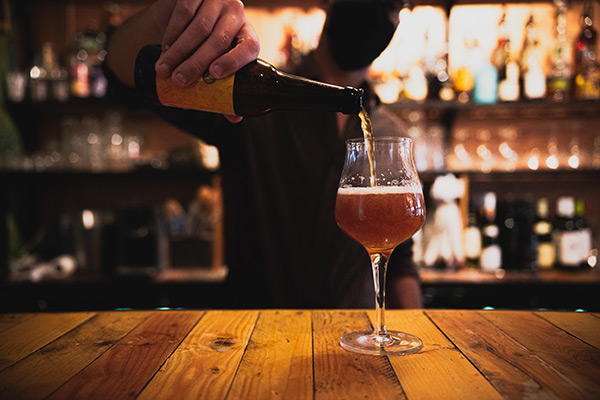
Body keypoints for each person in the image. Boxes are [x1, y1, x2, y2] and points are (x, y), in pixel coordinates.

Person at [106, 0, 423, 309]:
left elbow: (400, 263)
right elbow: (126, 75)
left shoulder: (390, 133)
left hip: (353, 345)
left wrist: (423, 342)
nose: (380, 9)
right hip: (252, 342)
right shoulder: (252, 96)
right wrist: (164, 16)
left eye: (395, 4)